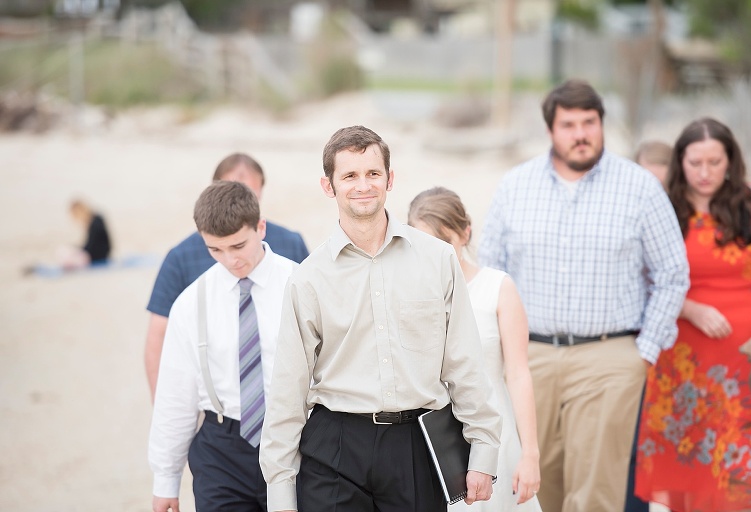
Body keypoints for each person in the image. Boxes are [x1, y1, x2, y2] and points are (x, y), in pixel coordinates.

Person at [259, 125, 502, 512]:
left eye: (373, 173)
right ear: (329, 186)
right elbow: (288, 390)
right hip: (335, 447)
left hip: (416, 445)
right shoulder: (308, 278)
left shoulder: (438, 259)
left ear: (390, 179)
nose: (363, 185)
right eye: (350, 176)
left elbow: (465, 363)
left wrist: (484, 451)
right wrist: (280, 491)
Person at [477, 79, 690, 512]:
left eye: (589, 122)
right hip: (530, 359)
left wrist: (642, 351)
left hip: (608, 358)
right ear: (551, 131)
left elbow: (672, 273)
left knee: (595, 490)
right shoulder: (515, 186)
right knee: (539, 484)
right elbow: (491, 272)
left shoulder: (639, 187)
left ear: (602, 124)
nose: (581, 134)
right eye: (569, 124)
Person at [635, 118, 751, 511]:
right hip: (683, 356)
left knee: (741, 461)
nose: (705, 173)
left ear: (731, 161)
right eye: (696, 163)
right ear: (681, 162)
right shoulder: (662, 205)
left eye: (715, 162)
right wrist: (689, 308)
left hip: (747, 356)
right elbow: (642, 278)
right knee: (689, 460)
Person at [148, 180, 297, 512]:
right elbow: (176, 397)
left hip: (297, 439)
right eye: (215, 250)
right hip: (221, 449)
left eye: (238, 245)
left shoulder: (301, 284)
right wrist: (166, 480)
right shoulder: (190, 304)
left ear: (260, 227)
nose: (230, 260)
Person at [408, 186, 542, 511]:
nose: (436, 255)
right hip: (433, 440)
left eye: (445, 244)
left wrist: (530, 454)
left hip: (497, 434)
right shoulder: (409, 295)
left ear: (465, 233)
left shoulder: (498, 288)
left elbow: (519, 374)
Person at [144, 153, 309, 401]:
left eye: (248, 193)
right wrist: (163, 405)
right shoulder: (180, 256)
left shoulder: (291, 243)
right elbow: (159, 335)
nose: (231, 259)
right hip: (215, 408)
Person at [625, 139, 673, 512]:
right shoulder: (629, 215)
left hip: (673, 345)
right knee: (633, 444)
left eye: (662, 183)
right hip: (639, 347)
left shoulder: (684, 220)